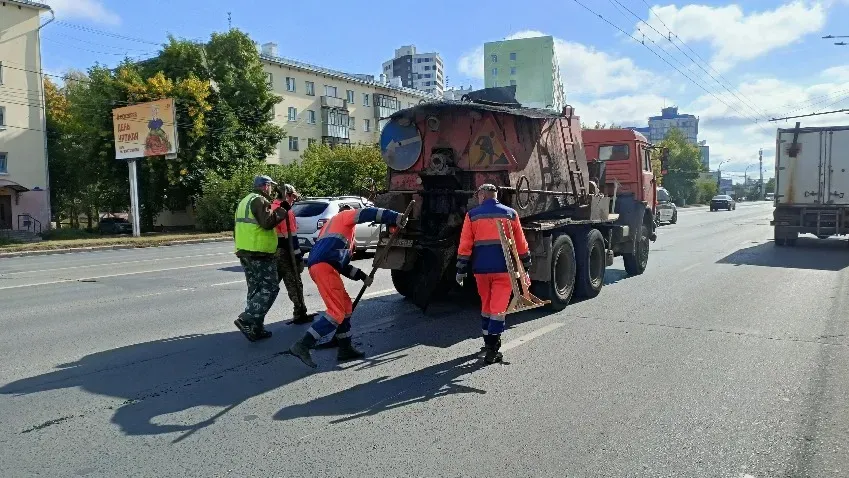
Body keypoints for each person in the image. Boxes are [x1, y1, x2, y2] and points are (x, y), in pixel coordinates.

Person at [286, 203, 408, 368]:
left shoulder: (333, 229)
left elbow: (341, 265)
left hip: (324, 266)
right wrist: (394, 217)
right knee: (336, 313)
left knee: (346, 307)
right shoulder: (343, 217)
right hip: (324, 267)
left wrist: (362, 276)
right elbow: (367, 213)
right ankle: (303, 345)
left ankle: (345, 347)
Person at [455, 183, 531, 364]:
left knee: (486, 306)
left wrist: (460, 269)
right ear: (495, 196)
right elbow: (520, 242)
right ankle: (493, 349)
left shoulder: (472, 216)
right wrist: (526, 264)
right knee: (498, 309)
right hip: (504, 270)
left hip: (480, 270)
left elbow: (465, 245)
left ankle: (488, 343)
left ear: (482, 196)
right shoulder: (510, 214)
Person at [233, 175, 289, 342]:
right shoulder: (259, 200)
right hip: (259, 252)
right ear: (265, 186)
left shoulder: (244, 201)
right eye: (270, 186)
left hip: (245, 251)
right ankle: (247, 318)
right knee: (270, 288)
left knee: (255, 289)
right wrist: (283, 208)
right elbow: (268, 222)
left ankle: (255, 328)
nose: (271, 189)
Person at [270, 184, 317, 325]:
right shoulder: (285, 210)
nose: (294, 200)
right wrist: (298, 257)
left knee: (271, 286)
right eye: (293, 197)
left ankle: (254, 318)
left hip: (273, 251)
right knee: (295, 283)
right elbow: (289, 237)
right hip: (285, 252)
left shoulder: (271, 206)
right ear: (287, 195)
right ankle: (300, 314)